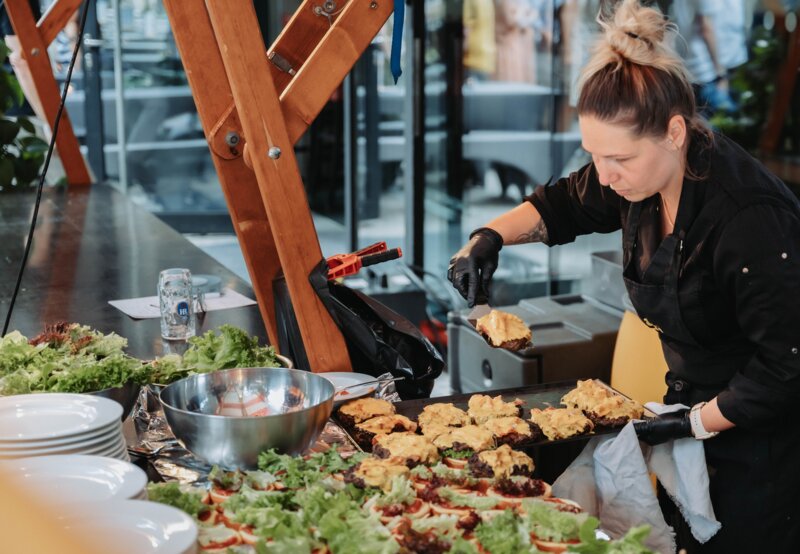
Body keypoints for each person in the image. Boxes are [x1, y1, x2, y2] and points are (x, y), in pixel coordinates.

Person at [447, 0, 800, 551]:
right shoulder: (639, 178)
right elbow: (563, 203)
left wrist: (693, 424)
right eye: (595, 155)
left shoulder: (748, 218)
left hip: (762, 446)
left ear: (675, 131)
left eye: (619, 159)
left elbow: (785, 364)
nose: (606, 177)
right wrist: (488, 238)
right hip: (689, 416)